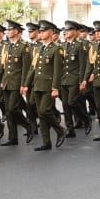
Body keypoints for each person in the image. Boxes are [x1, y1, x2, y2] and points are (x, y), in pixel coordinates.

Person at [25, 20, 67, 151]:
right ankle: (46, 142)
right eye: (40, 31)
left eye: (43, 31)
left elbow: (57, 70)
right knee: (41, 114)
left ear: (50, 32)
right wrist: (27, 84)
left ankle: (60, 130)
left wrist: (55, 88)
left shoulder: (57, 49)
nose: (41, 33)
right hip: (37, 85)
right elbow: (32, 68)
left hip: (49, 86)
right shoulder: (38, 49)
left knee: (44, 111)